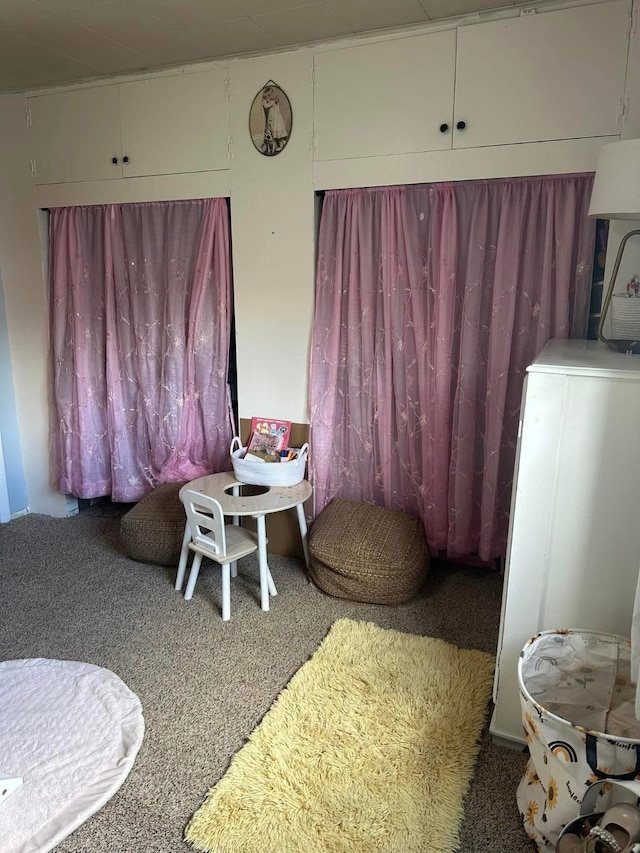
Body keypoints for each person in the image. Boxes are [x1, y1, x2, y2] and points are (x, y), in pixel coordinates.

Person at [261, 87, 288, 153]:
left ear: (271, 96)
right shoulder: (273, 102)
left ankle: (281, 146)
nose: (266, 98)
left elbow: (265, 106)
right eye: (265, 97)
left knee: (279, 135)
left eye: (267, 96)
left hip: (276, 121)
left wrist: (264, 102)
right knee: (276, 134)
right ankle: (282, 144)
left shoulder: (272, 102)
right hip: (274, 120)